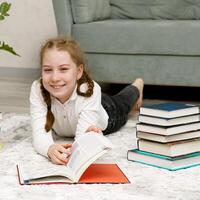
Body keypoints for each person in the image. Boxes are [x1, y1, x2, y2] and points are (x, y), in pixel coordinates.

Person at [30, 37, 144, 165]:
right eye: (47, 70)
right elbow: (39, 133)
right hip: (85, 102)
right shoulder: (38, 89)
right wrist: (49, 149)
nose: (55, 78)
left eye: (63, 69)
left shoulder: (91, 90)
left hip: (107, 111)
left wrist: (89, 140)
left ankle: (137, 86)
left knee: (123, 102)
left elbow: (81, 140)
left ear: (78, 72)